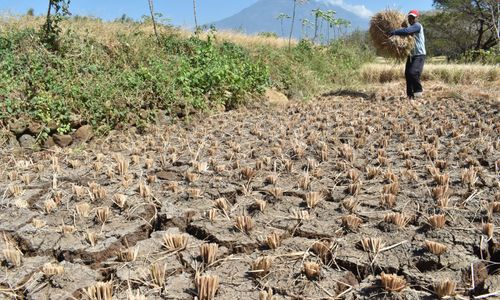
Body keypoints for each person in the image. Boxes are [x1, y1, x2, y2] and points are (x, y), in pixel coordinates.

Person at [390, 10, 426, 101]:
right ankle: (410, 95)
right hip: (411, 55)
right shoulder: (411, 27)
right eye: (409, 17)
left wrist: (393, 32)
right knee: (407, 74)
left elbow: (406, 31)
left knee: (413, 73)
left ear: (417, 18)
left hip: (419, 54)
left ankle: (418, 91)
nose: (411, 19)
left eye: (413, 17)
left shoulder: (417, 26)